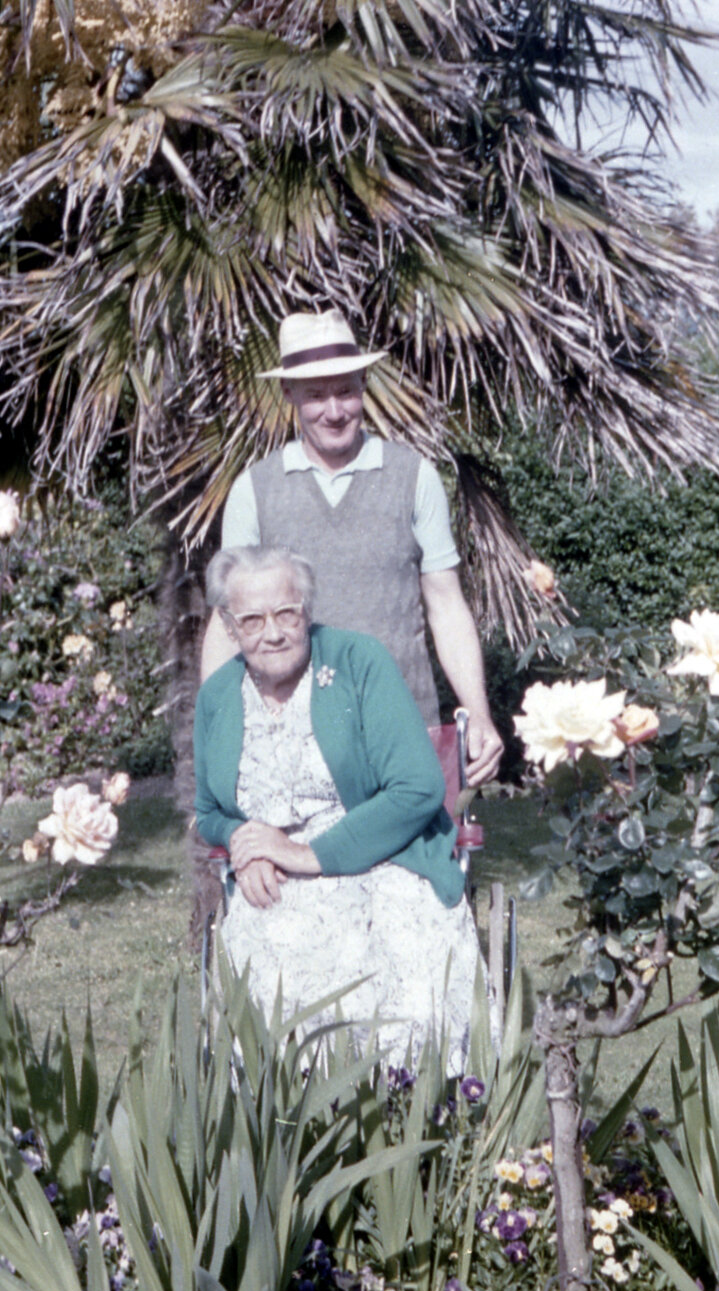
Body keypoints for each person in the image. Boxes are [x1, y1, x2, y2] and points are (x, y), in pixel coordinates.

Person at [194, 544, 484, 1070]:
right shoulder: (217, 696)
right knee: (272, 977)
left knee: (402, 982)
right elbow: (209, 809)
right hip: (275, 880)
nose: (273, 632)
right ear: (230, 627)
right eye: (253, 621)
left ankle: (416, 1117)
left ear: (307, 609)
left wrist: (309, 855)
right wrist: (244, 843)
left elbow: (418, 787)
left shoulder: (357, 661)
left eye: (286, 613)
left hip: (384, 860)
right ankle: (295, 1131)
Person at [200, 307, 503, 785]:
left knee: (416, 859)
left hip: (405, 731)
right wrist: (215, 732)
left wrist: (479, 714)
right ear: (289, 394)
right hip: (291, 744)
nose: (334, 410)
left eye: (345, 390)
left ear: (364, 384)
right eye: (316, 395)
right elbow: (226, 624)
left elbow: (446, 604)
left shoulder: (415, 477)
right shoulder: (253, 490)